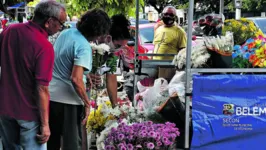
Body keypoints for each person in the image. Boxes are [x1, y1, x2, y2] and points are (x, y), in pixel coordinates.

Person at [0, 1, 66, 150]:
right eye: (61, 24)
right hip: (29, 113)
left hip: (5, 108)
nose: (61, 28)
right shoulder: (44, 46)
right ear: (49, 22)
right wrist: (45, 125)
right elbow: (42, 88)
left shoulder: (10, 30)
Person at [47, 8, 111, 150]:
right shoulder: (83, 46)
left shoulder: (66, 33)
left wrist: (86, 75)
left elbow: (62, 62)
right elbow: (75, 79)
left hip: (51, 97)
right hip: (69, 101)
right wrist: (87, 103)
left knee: (52, 143)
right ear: (98, 32)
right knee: (72, 144)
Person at [88, 14, 131, 106]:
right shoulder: (88, 44)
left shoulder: (112, 54)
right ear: (108, 38)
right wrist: (87, 75)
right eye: (118, 46)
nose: (119, 49)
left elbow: (111, 78)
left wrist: (115, 106)